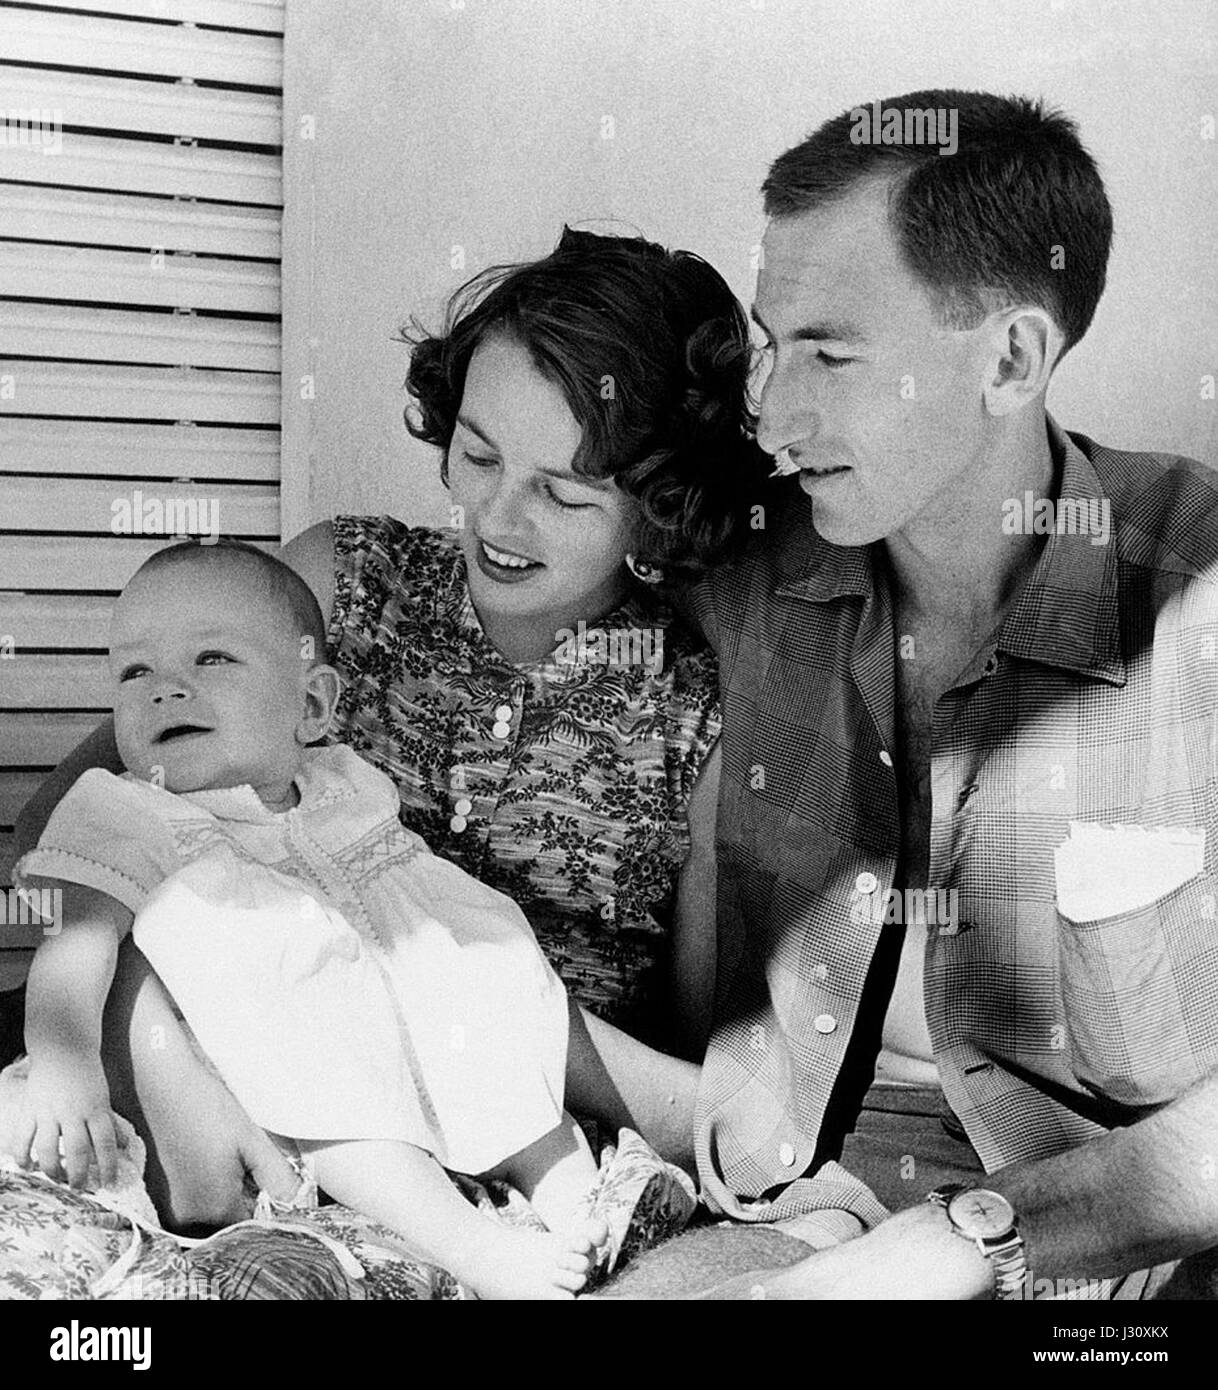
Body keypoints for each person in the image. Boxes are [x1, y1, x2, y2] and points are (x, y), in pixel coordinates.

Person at [7, 226, 763, 1291]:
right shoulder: (346, 584)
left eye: (564, 491)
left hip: (515, 1126)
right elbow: (67, 832)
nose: (498, 515)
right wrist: (156, 1045)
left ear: (658, 502)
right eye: (480, 452)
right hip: (251, 1051)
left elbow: (690, 1031)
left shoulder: (688, 704)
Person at [599, 89, 1218, 1300]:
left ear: (1010, 358)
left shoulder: (1199, 592)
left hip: (1112, 1244)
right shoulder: (750, 560)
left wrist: (962, 1244)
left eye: (833, 353)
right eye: (775, 348)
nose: (774, 416)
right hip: (806, 1207)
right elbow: (426, 606)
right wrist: (118, 806)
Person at [11, 539, 673, 1299]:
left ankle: (580, 1201)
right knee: (341, 1094)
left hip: (380, 1002)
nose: (166, 690)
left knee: (494, 1009)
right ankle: (475, 1250)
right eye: (136, 673)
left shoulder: (342, 784)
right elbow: (75, 934)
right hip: (270, 1066)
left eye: (212, 660)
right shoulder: (125, 807)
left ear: (314, 706)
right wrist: (64, 1063)